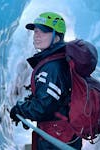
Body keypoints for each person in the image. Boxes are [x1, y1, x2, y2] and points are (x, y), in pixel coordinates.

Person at [10, 12, 82, 150]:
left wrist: (20, 109)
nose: (37, 35)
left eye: (43, 31)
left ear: (57, 38)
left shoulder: (53, 67)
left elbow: (43, 108)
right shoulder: (57, 60)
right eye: (36, 31)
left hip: (56, 138)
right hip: (61, 134)